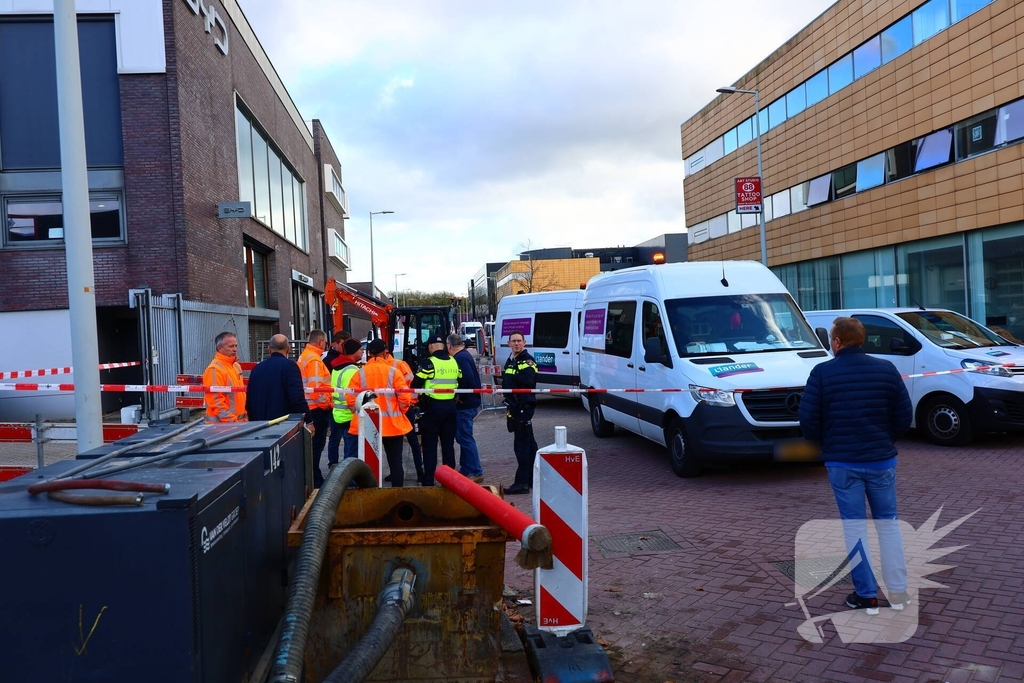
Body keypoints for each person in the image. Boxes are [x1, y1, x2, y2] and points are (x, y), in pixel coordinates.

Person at [799, 316, 914, 614]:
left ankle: (867, 597)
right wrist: (884, 440)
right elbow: (903, 415)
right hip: (881, 460)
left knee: (855, 529)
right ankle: (899, 594)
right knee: (888, 526)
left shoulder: (822, 373)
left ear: (836, 342)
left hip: (842, 462)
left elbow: (808, 421)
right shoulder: (887, 370)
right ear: (861, 340)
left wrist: (826, 444)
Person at [345, 339, 414, 487]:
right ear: (385, 352)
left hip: (367, 425)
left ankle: (370, 494)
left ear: (369, 353)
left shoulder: (360, 373)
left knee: (368, 463)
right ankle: (396, 495)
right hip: (392, 426)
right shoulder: (394, 372)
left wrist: (359, 412)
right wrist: (401, 410)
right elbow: (405, 397)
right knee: (396, 462)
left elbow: (350, 399)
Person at [411, 334, 461, 486]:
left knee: (430, 446)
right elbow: (460, 379)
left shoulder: (429, 363)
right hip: (450, 409)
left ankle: (428, 481)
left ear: (431, 346)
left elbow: (415, 384)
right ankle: (450, 480)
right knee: (448, 446)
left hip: (432, 409)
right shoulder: (453, 361)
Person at [502, 331, 538, 494]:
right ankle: (532, 479)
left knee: (522, 445)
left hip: (523, 406)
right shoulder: (511, 361)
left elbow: (528, 380)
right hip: (515, 406)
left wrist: (513, 379)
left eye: (519, 341)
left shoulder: (527, 360)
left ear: (524, 343)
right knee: (530, 444)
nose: (516, 344)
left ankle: (522, 483)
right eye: (513, 341)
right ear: (509, 343)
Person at [383, 348, 425, 484]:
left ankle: (420, 471)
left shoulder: (399, 364)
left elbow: (411, 385)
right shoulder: (386, 366)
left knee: (412, 441)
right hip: (393, 410)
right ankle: (396, 471)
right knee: (395, 443)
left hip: (403, 409)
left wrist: (409, 404)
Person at [297, 330, 333, 487]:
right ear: (320, 342)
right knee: (316, 446)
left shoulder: (305, 356)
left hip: (308, 406)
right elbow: (316, 387)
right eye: (325, 342)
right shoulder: (314, 360)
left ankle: (312, 476)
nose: (325, 345)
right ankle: (314, 479)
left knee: (311, 446)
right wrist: (326, 404)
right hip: (316, 408)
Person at [447, 333, 484, 483]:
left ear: (449, 346)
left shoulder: (460, 358)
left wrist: (459, 396)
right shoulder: (465, 355)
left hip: (466, 404)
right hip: (470, 402)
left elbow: (467, 378)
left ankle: (476, 470)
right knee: (463, 436)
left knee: (465, 437)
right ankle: (466, 468)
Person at [246, 334, 308, 421]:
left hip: (259, 423)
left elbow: (249, 400)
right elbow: (296, 398)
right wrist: (308, 420)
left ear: (269, 349)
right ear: (288, 349)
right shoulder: (290, 367)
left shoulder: (257, 369)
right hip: (283, 424)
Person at [327, 338, 363, 467]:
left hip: (338, 413)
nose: (363, 351)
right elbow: (351, 397)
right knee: (352, 452)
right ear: (354, 352)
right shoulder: (352, 370)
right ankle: (351, 483)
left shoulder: (338, 367)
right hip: (349, 416)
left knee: (347, 447)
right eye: (360, 349)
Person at [203, 331, 247, 423]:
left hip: (237, 425)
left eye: (236, 346)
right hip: (221, 427)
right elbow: (216, 402)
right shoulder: (214, 369)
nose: (235, 349)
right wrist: (232, 421)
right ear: (220, 348)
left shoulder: (236, 366)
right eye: (231, 346)